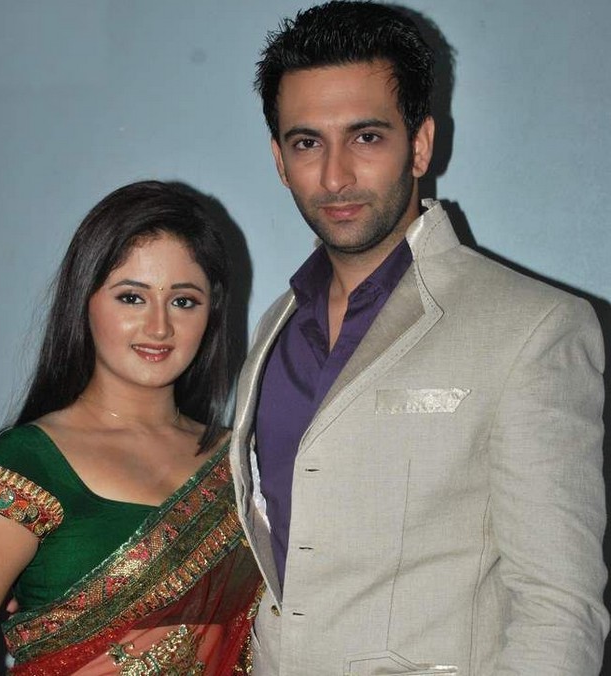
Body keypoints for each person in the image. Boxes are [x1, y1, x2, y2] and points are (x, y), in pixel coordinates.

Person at [229, 2, 608, 674]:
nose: (335, 175)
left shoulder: (536, 328)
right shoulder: (275, 327)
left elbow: (559, 610)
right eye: (307, 142)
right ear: (280, 159)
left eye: (366, 137)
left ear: (421, 144)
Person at [0, 181, 262, 675]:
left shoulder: (239, 461)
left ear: (211, 313)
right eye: (132, 297)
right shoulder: (29, 462)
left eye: (184, 301)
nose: (159, 327)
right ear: (84, 300)